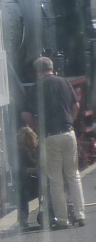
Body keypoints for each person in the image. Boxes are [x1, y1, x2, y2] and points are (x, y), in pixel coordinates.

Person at [34, 55, 86, 228]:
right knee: (73, 175)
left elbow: (26, 114)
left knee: (55, 179)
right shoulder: (64, 82)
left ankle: (63, 220)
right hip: (68, 133)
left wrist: (38, 130)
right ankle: (80, 215)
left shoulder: (38, 87)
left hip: (50, 135)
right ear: (52, 67)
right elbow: (76, 106)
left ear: (38, 71)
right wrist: (70, 121)